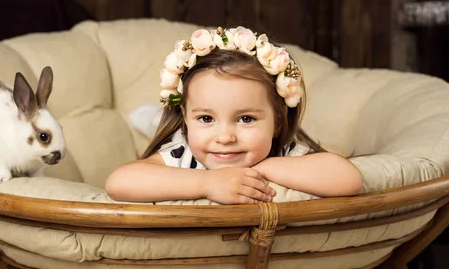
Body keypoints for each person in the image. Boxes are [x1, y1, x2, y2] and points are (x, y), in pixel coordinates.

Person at [105, 26, 363, 204]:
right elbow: (119, 182)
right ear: (185, 118)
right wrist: (206, 183)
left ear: (277, 121)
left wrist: (264, 169)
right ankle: (152, 118)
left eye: (246, 119)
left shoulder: (282, 152)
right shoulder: (182, 154)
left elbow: (348, 179)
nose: (225, 137)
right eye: (206, 118)